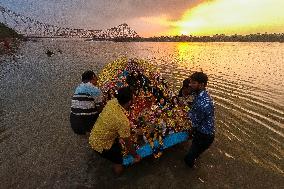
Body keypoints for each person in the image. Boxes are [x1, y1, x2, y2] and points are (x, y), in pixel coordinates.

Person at [89, 87, 141, 175]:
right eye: (133, 97)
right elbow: (128, 143)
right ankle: (118, 174)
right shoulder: (122, 121)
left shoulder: (112, 102)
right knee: (118, 160)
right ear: (129, 102)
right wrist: (136, 156)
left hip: (94, 135)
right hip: (103, 145)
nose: (135, 98)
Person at [184, 72, 215, 168]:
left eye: (193, 83)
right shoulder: (203, 94)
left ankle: (191, 166)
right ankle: (195, 156)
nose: (190, 85)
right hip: (205, 133)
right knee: (195, 151)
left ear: (201, 85)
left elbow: (194, 123)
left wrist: (190, 132)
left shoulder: (202, 104)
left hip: (204, 135)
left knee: (189, 158)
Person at [70, 70, 103, 135]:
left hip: (74, 123)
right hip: (87, 124)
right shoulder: (95, 89)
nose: (97, 79)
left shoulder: (78, 88)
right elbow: (100, 108)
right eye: (96, 77)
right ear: (93, 76)